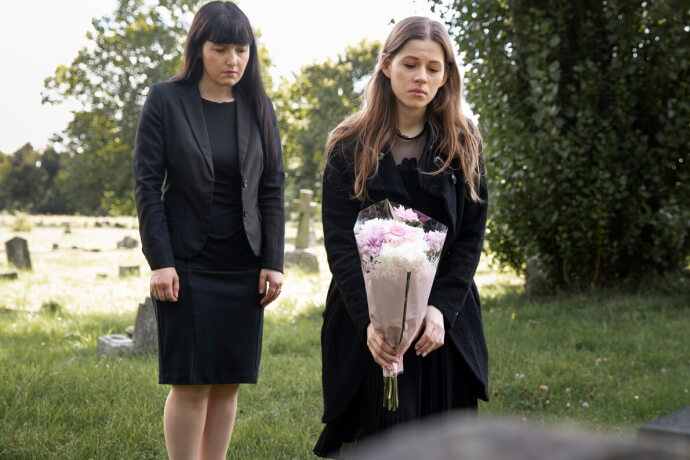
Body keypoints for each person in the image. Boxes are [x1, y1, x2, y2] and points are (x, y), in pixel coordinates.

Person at [314, 16, 488, 458]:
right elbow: (339, 241)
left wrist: (440, 309)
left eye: (433, 68)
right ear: (387, 64)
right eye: (410, 64)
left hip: (440, 324)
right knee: (377, 438)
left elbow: (469, 238)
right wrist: (369, 322)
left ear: (446, 75)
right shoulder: (348, 144)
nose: (421, 77)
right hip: (366, 319)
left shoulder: (463, 143)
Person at [132, 2, 284, 458]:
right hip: (186, 264)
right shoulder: (165, 100)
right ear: (198, 49)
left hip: (243, 265)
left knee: (227, 383)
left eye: (242, 49)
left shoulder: (259, 106)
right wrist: (160, 261)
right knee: (191, 383)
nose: (233, 60)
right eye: (221, 49)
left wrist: (273, 262)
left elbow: (272, 186)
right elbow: (146, 184)